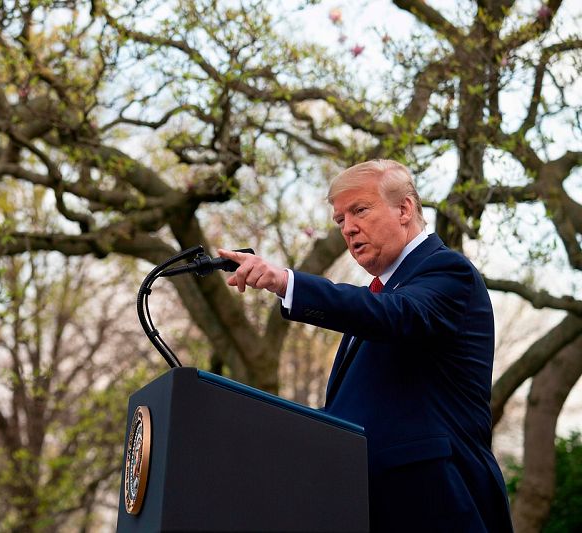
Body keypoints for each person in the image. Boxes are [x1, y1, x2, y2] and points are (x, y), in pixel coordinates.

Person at [218, 160, 513, 532]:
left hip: (436, 504)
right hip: (364, 507)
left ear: (404, 209)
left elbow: (395, 315)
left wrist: (286, 282)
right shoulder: (381, 294)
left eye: (359, 210)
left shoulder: (447, 272)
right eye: (340, 220)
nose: (349, 228)